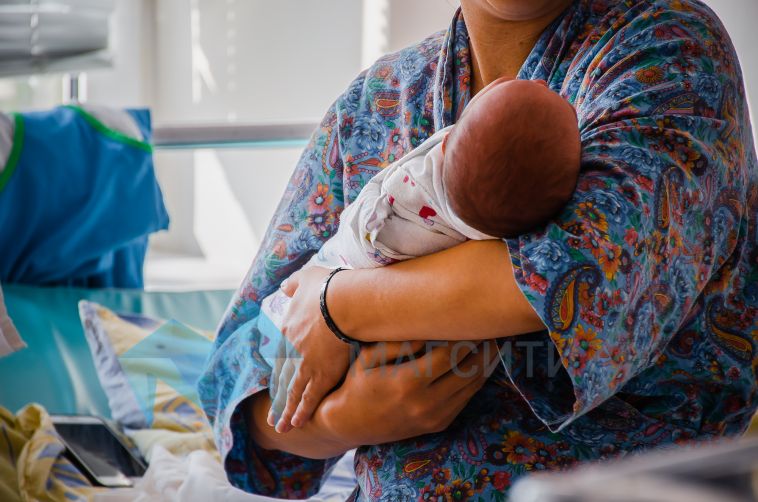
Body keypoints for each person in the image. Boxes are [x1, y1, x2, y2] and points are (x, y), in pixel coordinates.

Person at [198, 0, 758, 499]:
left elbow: (567, 275)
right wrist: (345, 420)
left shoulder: (667, 49)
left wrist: (334, 303)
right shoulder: (373, 106)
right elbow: (240, 382)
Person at [260, 78, 582, 433]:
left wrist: (333, 304)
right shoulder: (366, 99)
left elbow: (551, 275)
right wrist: (335, 423)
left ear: (444, 144)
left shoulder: (418, 176)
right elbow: (237, 386)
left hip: (331, 299)